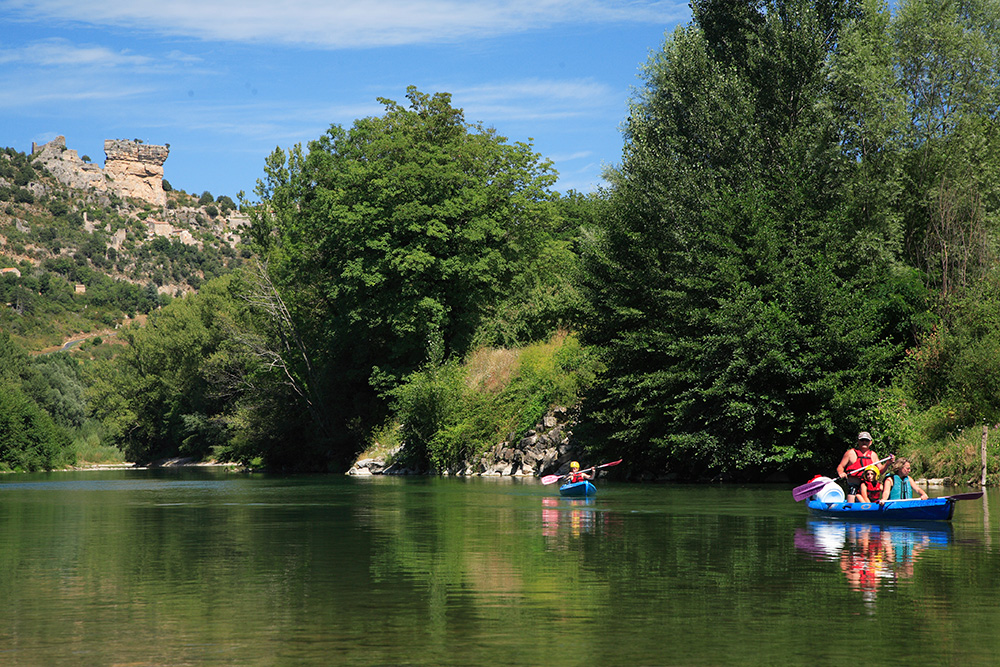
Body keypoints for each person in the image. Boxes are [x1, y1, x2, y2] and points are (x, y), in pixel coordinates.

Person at [837, 432, 893, 502]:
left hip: (868, 486)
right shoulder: (850, 453)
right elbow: (840, 466)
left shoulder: (873, 455)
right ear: (858, 441)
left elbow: (880, 471)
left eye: (866, 440)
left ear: (870, 442)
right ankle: (850, 508)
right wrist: (841, 472)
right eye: (862, 440)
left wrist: (887, 464)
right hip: (854, 486)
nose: (864, 442)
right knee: (852, 492)